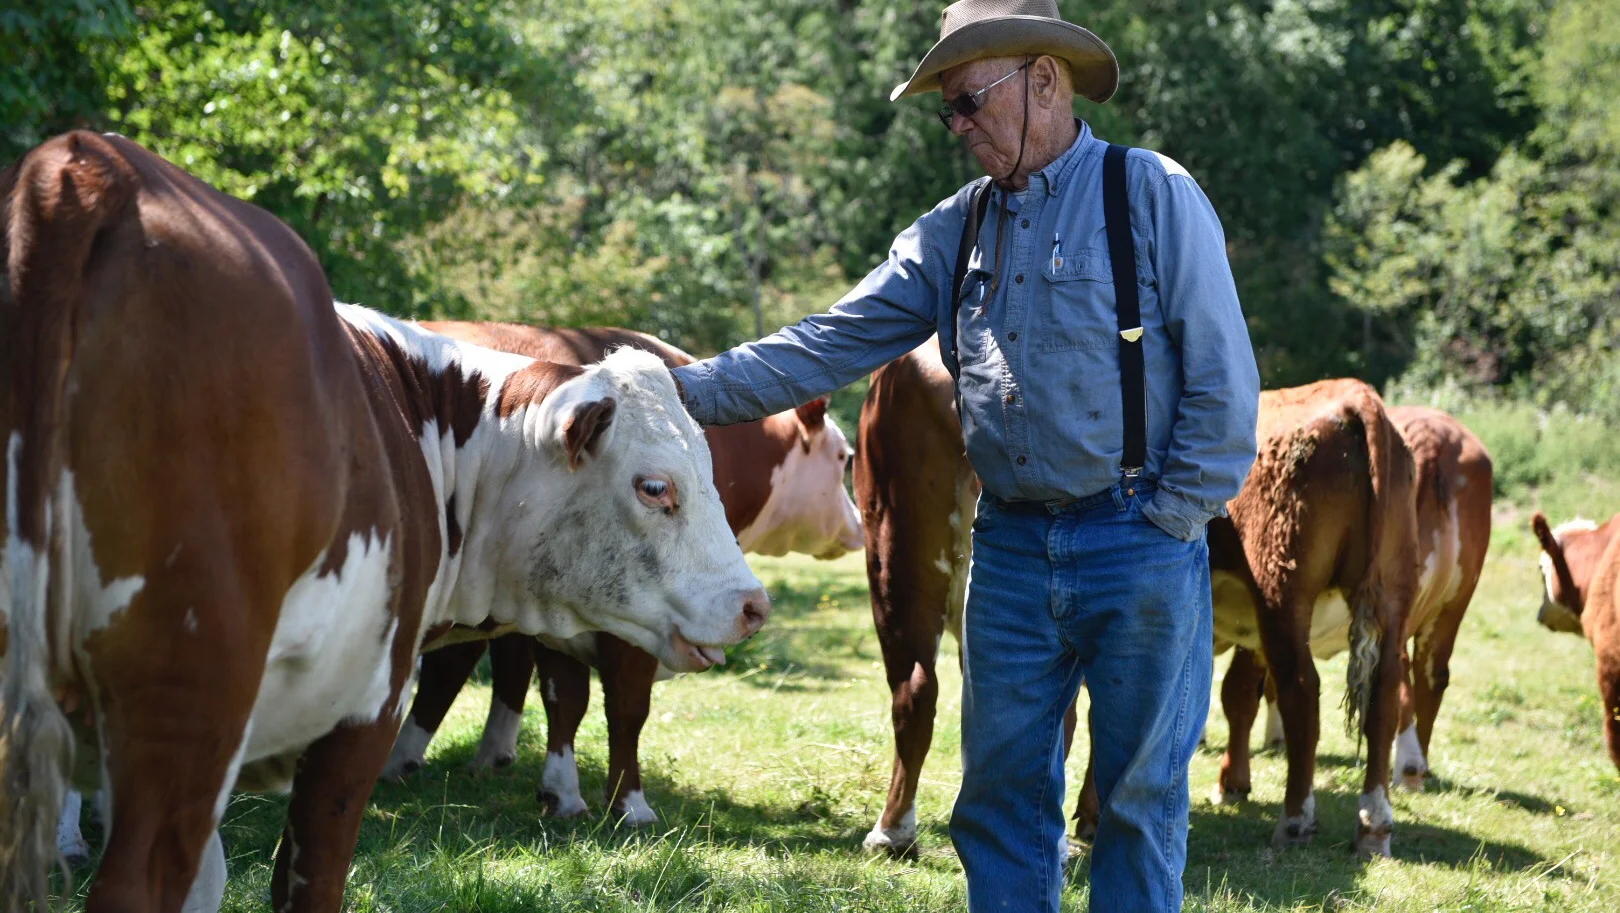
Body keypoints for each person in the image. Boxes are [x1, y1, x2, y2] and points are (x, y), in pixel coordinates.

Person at [671, 1, 1260, 910]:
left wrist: (1171, 514)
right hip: (1012, 553)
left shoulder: (1150, 193)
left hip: (1138, 540)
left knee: (1139, 806)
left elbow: (1224, 383)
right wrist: (680, 390)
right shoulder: (955, 230)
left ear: (1046, 80)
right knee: (997, 805)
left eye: (969, 102)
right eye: (947, 109)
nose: (957, 127)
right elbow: (829, 341)